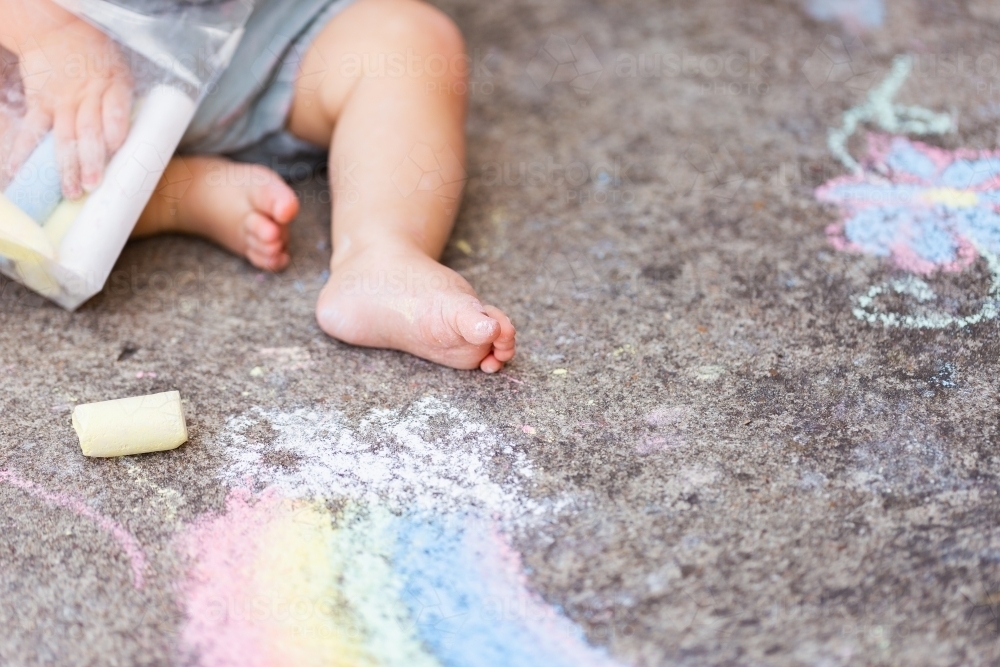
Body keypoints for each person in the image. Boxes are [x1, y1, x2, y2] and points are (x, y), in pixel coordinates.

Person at [0, 0, 516, 373]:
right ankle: (164, 193)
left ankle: (381, 254)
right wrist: (47, 29)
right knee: (36, 179)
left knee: (408, 43)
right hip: (40, 67)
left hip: (250, 39)